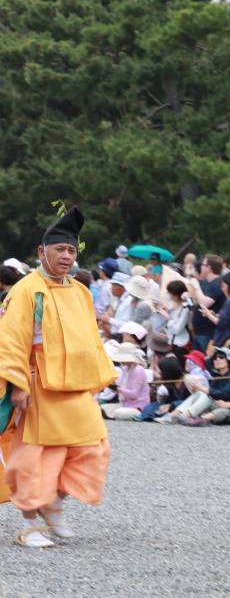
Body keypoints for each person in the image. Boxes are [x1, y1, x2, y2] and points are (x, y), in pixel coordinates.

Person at [0, 208, 117, 547]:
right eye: (60, 249)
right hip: (39, 385)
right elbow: (11, 340)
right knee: (34, 458)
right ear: (42, 252)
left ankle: (53, 504)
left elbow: (90, 339)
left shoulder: (80, 291)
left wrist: (96, 378)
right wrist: (18, 384)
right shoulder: (26, 290)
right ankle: (29, 526)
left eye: (72, 251)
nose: (67, 256)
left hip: (76, 387)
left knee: (93, 450)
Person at [99, 343, 150, 422]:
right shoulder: (126, 369)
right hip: (125, 404)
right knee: (100, 408)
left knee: (119, 413)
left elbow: (134, 394)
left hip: (138, 407)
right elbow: (121, 390)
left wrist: (118, 389)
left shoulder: (138, 370)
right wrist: (112, 386)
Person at [187, 254, 225, 352]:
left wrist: (195, 285)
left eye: (203, 265)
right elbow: (197, 300)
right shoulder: (205, 282)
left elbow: (204, 303)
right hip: (199, 332)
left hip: (209, 334)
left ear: (209, 268)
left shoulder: (217, 284)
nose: (201, 267)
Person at [198, 272, 230, 350]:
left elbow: (221, 323)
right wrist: (214, 315)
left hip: (223, 340)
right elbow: (228, 319)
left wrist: (208, 314)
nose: (222, 289)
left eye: (223, 286)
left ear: (229, 285)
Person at [160, 279, 192, 358]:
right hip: (169, 340)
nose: (169, 296)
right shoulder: (170, 304)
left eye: (171, 293)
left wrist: (168, 318)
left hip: (179, 343)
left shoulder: (185, 308)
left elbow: (177, 330)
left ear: (177, 295)